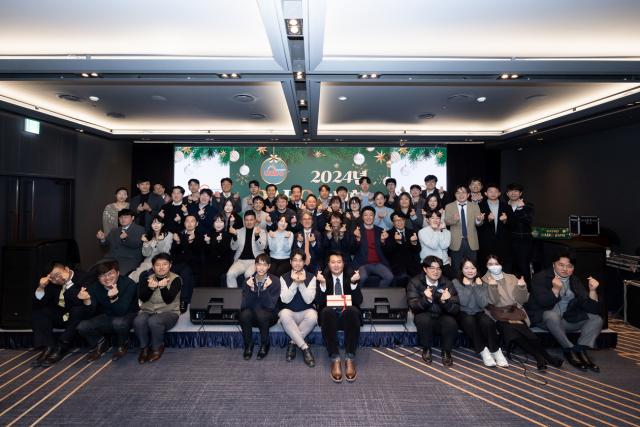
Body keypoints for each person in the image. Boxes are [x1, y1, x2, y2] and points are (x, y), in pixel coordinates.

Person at [482, 254, 561, 371]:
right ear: (486, 266)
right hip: (498, 315)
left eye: (496, 264)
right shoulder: (483, 281)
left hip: (515, 312)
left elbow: (522, 300)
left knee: (525, 333)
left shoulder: (511, 277)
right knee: (511, 330)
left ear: (501, 264)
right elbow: (493, 302)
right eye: (490, 264)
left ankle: (543, 357)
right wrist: (492, 286)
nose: (494, 266)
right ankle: (542, 357)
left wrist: (522, 287)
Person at [527, 252, 603, 372]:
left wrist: (593, 291)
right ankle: (569, 348)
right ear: (553, 264)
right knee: (551, 315)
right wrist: (555, 290)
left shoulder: (574, 280)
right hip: (545, 319)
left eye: (569, 266)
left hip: (568, 319)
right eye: (561, 265)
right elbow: (543, 302)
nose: (565, 269)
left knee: (596, 319)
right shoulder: (540, 277)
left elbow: (592, 308)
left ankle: (580, 349)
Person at [31, 262, 92, 367]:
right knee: (39, 311)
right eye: (52, 278)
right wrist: (41, 287)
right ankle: (49, 346)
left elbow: (80, 302)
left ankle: (62, 346)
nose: (56, 279)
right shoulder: (52, 283)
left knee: (77, 309)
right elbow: (38, 304)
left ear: (67, 269)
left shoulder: (83, 277)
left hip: (79, 315)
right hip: (62, 315)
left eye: (58, 275)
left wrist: (68, 283)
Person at [77, 260, 139, 361]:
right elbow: (88, 315)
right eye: (102, 275)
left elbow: (121, 311)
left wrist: (113, 298)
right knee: (82, 326)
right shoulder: (94, 287)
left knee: (118, 322)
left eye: (110, 273)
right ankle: (101, 343)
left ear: (118, 273)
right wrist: (87, 301)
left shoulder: (129, 284)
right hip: (107, 316)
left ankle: (123, 344)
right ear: (98, 278)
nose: (107, 278)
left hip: (128, 314)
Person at [315, 251, 363, 382]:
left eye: (339, 262)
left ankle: (349, 357)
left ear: (343, 264)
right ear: (328, 264)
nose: (336, 265)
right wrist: (323, 285)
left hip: (347, 316)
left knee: (352, 310)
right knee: (326, 311)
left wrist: (353, 284)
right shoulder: (323, 277)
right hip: (330, 318)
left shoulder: (351, 276)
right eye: (333, 262)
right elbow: (318, 302)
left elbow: (359, 300)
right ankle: (335, 357)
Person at [453, 258, 508, 367]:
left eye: (473, 268)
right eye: (466, 268)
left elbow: (483, 304)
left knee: (488, 322)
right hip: (463, 312)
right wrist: (468, 286)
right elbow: (463, 302)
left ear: (477, 269)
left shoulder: (481, 282)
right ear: (461, 270)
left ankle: (496, 351)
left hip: (478, 311)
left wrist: (477, 287)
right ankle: (483, 350)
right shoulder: (456, 282)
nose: (470, 271)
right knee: (470, 322)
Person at [407, 256, 460, 366]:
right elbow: (413, 306)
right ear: (425, 269)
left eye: (439, 268)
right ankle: (426, 348)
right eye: (432, 268)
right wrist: (426, 299)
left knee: (451, 322)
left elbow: (455, 309)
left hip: (441, 314)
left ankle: (446, 351)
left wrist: (445, 302)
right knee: (424, 320)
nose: (436, 271)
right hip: (424, 313)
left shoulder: (448, 283)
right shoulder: (415, 282)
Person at [135, 253, 181, 364]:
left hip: (169, 312)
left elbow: (168, 300)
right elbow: (142, 298)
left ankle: (157, 347)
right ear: (153, 266)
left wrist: (163, 287)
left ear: (170, 265)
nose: (161, 267)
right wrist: (150, 289)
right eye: (158, 265)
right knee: (138, 320)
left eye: (165, 264)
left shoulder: (176, 279)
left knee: (154, 321)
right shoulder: (147, 279)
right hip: (148, 310)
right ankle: (144, 348)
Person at [279, 250, 317, 367]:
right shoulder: (283, 277)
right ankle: (305, 347)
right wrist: (295, 283)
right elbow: (285, 299)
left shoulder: (311, 277)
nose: (297, 263)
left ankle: (293, 343)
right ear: (290, 262)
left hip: (305, 311)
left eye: (300, 260)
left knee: (313, 316)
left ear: (304, 262)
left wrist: (301, 283)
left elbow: (309, 300)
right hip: (290, 312)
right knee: (283, 314)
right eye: (295, 260)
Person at [239, 254, 281, 360]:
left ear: (269, 266)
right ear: (255, 265)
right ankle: (248, 344)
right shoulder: (248, 281)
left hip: (269, 315)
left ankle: (264, 344)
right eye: (259, 264)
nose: (261, 268)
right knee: (244, 314)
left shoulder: (275, 281)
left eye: (264, 265)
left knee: (262, 314)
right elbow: (244, 305)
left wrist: (265, 290)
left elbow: (270, 306)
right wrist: (252, 289)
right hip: (254, 314)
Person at [351, 206, 393, 287]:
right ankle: (360, 295)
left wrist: (383, 241)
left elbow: (388, 251)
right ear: (362, 217)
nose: (368, 217)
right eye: (365, 215)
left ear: (374, 217)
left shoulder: (380, 230)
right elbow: (352, 250)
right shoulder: (357, 231)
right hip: (362, 264)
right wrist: (358, 239)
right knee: (362, 277)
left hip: (378, 263)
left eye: (371, 215)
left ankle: (378, 293)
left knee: (389, 277)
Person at [444, 185, 484, 272]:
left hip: (471, 241)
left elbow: (479, 224)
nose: (461, 195)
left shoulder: (475, 206)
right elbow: (446, 222)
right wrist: (454, 220)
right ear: (455, 195)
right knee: (456, 268)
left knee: (472, 267)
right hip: (456, 242)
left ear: (468, 194)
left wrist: (478, 220)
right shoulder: (449, 206)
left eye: (463, 192)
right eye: (458, 193)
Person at [96, 209, 145, 276]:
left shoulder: (139, 229)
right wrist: (103, 239)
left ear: (132, 218)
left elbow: (136, 244)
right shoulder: (114, 230)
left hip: (128, 259)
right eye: (121, 217)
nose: (123, 219)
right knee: (96, 271)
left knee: (117, 276)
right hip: (111, 258)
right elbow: (105, 246)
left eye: (126, 217)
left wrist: (126, 239)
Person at [170, 215, 204, 312]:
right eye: (187, 221)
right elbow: (173, 252)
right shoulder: (179, 235)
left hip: (193, 263)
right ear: (184, 223)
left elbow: (195, 254)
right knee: (170, 270)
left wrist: (185, 242)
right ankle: (170, 299)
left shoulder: (200, 235)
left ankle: (184, 301)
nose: (189, 223)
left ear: (196, 224)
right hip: (180, 262)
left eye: (192, 221)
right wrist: (177, 242)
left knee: (185, 272)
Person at [478, 184, 513, 275]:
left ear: (499, 193)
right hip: (485, 243)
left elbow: (513, 225)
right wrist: (488, 220)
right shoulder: (479, 206)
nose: (493, 193)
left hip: (503, 243)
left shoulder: (506, 206)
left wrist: (505, 221)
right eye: (490, 191)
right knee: (485, 268)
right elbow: (477, 225)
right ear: (486, 193)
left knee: (503, 267)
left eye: (495, 191)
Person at [227, 210, 268, 288]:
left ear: (255, 220)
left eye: (251, 220)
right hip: (240, 261)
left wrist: (257, 236)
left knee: (248, 274)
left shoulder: (261, 231)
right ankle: (234, 295)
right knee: (230, 274)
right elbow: (233, 247)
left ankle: (250, 294)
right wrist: (235, 236)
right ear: (244, 221)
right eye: (247, 220)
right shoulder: (238, 231)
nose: (249, 222)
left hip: (255, 261)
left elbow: (262, 247)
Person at [129, 215, 173, 282]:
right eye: (154, 223)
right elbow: (146, 254)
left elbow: (165, 253)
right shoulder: (149, 236)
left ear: (162, 224)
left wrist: (160, 241)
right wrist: (146, 243)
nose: (156, 225)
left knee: (149, 277)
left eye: (158, 223)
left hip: (163, 261)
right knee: (136, 274)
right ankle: (129, 283)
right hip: (149, 261)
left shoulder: (168, 235)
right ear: (151, 225)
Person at [506, 183, 535, 284]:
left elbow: (529, 220)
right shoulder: (504, 205)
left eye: (516, 191)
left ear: (520, 193)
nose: (513, 193)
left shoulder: (528, 205)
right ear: (507, 193)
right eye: (511, 191)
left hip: (523, 242)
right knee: (508, 268)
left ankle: (528, 290)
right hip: (507, 242)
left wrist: (519, 209)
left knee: (524, 267)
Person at [384, 212, 421, 287]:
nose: (400, 222)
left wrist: (414, 243)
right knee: (402, 277)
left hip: (412, 265)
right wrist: (398, 242)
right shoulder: (388, 234)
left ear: (405, 221)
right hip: (396, 266)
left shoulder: (412, 232)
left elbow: (417, 250)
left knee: (418, 279)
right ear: (393, 223)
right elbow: (387, 252)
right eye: (397, 220)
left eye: (402, 220)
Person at [201, 215, 233, 287]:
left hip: (222, 262)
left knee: (214, 273)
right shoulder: (208, 235)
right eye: (216, 222)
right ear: (213, 223)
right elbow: (206, 253)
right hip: (210, 261)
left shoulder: (227, 235)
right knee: (204, 271)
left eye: (221, 222)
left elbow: (224, 254)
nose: (219, 224)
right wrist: (207, 243)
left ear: (224, 224)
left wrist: (219, 242)